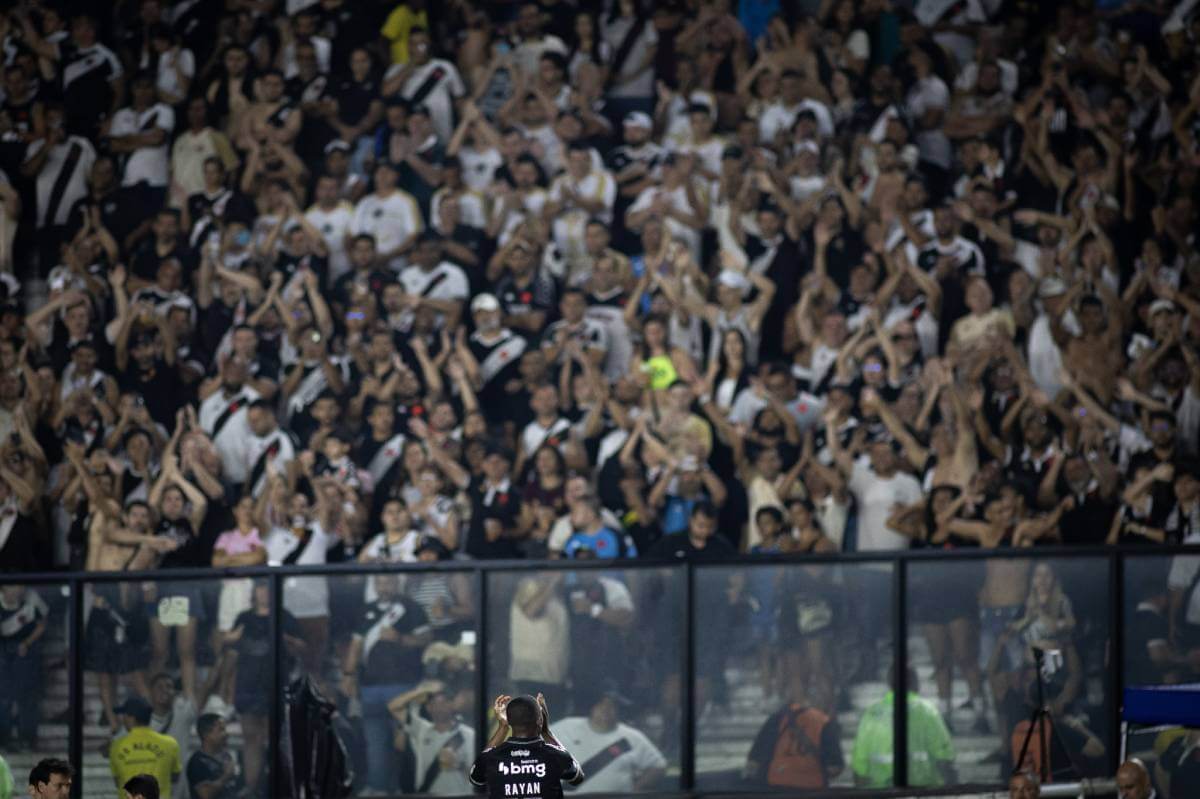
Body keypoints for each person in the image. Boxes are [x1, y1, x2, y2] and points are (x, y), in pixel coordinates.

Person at [849, 668, 955, 788]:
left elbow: (860, 763)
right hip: (921, 790)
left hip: (880, 791)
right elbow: (944, 756)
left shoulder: (872, 713)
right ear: (916, 684)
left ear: (889, 683)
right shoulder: (927, 712)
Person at [551, 686, 667, 793]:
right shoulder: (567, 727)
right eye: (602, 704)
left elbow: (658, 765)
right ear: (593, 707)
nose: (606, 710)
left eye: (612, 706)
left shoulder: (632, 737)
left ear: (619, 710)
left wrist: (636, 790)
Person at [470, 693, 584, 798]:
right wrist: (546, 732)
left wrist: (503, 727)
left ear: (509, 721)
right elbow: (577, 778)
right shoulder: (555, 755)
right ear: (540, 720)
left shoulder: (491, 757)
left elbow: (476, 779)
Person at [108, 696, 181, 797]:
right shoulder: (170, 743)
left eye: (124, 715)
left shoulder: (116, 746)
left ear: (131, 718)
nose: (123, 719)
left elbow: (117, 781)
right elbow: (175, 776)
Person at [185, 713, 246, 799]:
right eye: (221, 730)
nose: (226, 734)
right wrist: (226, 776)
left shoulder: (226, 756)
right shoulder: (197, 762)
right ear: (206, 734)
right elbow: (206, 794)